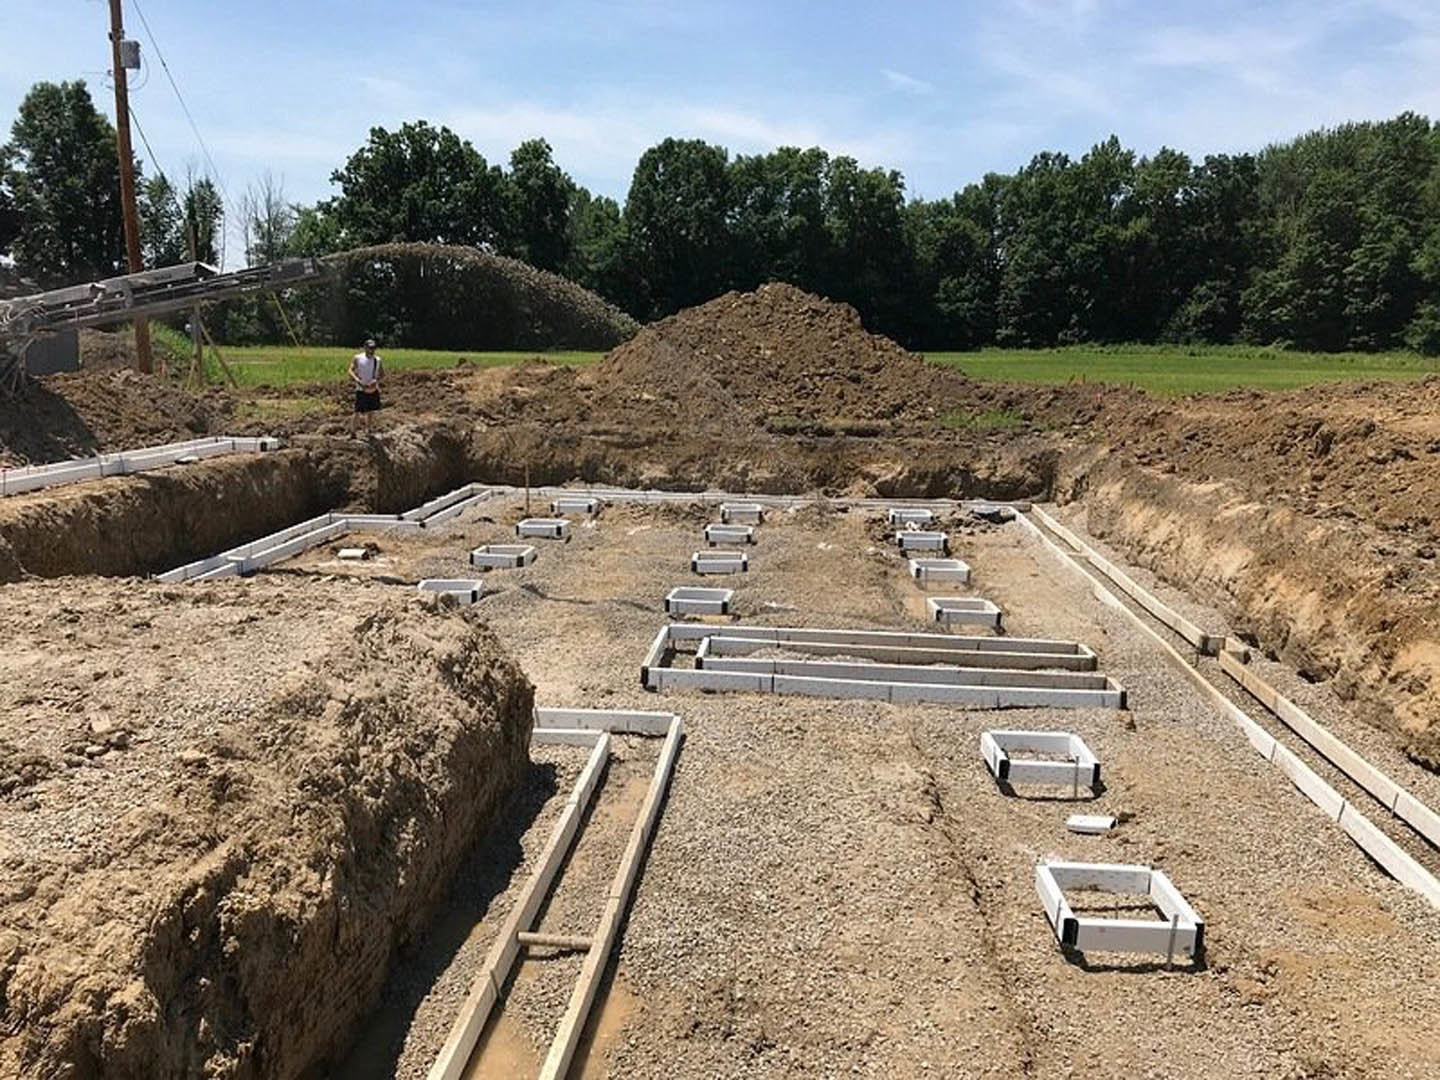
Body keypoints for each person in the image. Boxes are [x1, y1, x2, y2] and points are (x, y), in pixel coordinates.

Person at [349, 338, 383, 433]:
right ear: (365, 348)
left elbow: (382, 373)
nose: (372, 350)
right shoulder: (358, 358)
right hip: (361, 388)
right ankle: (353, 432)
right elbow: (350, 370)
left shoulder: (378, 360)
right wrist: (357, 380)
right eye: (370, 348)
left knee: (371, 411)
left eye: (373, 348)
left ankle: (369, 429)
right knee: (357, 411)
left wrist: (376, 381)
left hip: (373, 388)